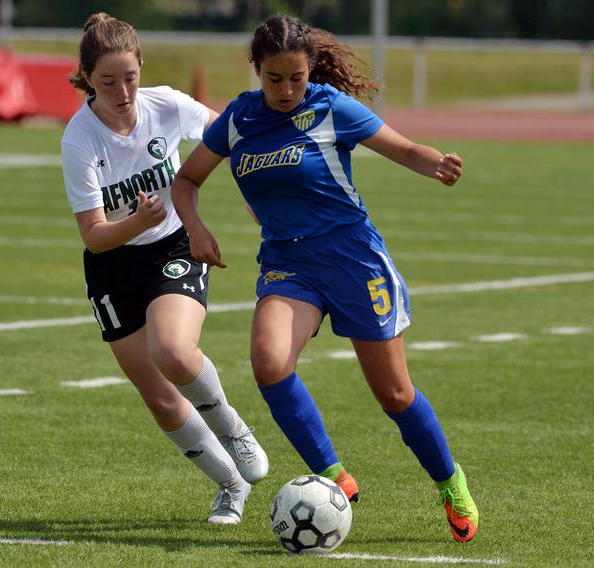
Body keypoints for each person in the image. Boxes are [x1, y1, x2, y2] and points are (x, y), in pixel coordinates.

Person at [171, 15, 479, 542]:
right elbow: (187, 180)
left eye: (296, 78)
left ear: (310, 70)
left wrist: (435, 163)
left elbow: (401, 148)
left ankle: (451, 483)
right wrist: (196, 229)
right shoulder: (238, 120)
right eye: (274, 79)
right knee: (269, 364)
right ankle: (334, 477)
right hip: (288, 263)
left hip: (354, 259)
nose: (287, 90)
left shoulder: (330, 107)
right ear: (256, 72)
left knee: (394, 394)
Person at [60, 12, 268, 525]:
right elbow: (94, 235)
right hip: (112, 264)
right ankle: (230, 487)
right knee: (157, 394)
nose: (123, 91)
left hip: (172, 247)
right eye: (108, 82)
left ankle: (235, 430)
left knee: (173, 352)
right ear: (87, 77)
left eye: (130, 77)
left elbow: (233, 135)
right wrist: (134, 220)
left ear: (141, 68)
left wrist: (257, 193)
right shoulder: (79, 139)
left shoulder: (167, 104)